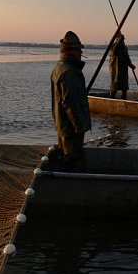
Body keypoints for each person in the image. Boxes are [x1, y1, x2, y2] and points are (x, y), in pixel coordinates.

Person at [48, 30, 91, 171]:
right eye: (78, 49)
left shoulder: (59, 68)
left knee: (65, 153)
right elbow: (70, 102)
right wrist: (79, 124)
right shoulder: (70, 72)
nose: (80, 52)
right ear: (70, 51)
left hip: (63, 124)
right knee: (71, 158)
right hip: (70, 127)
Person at [109, 32, 136, 99]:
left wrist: (131, 65)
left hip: (123, 69)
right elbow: (113, 53)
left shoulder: (124, 47)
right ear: (117, 39)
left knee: (124, 86)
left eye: (123, 39)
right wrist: (118, 43)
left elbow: (127, 57)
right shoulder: (113, 46)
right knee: (115, 84)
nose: (122, 41)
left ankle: (124, 98)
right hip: (116, 69)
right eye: (121, 39)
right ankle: (111, 98)